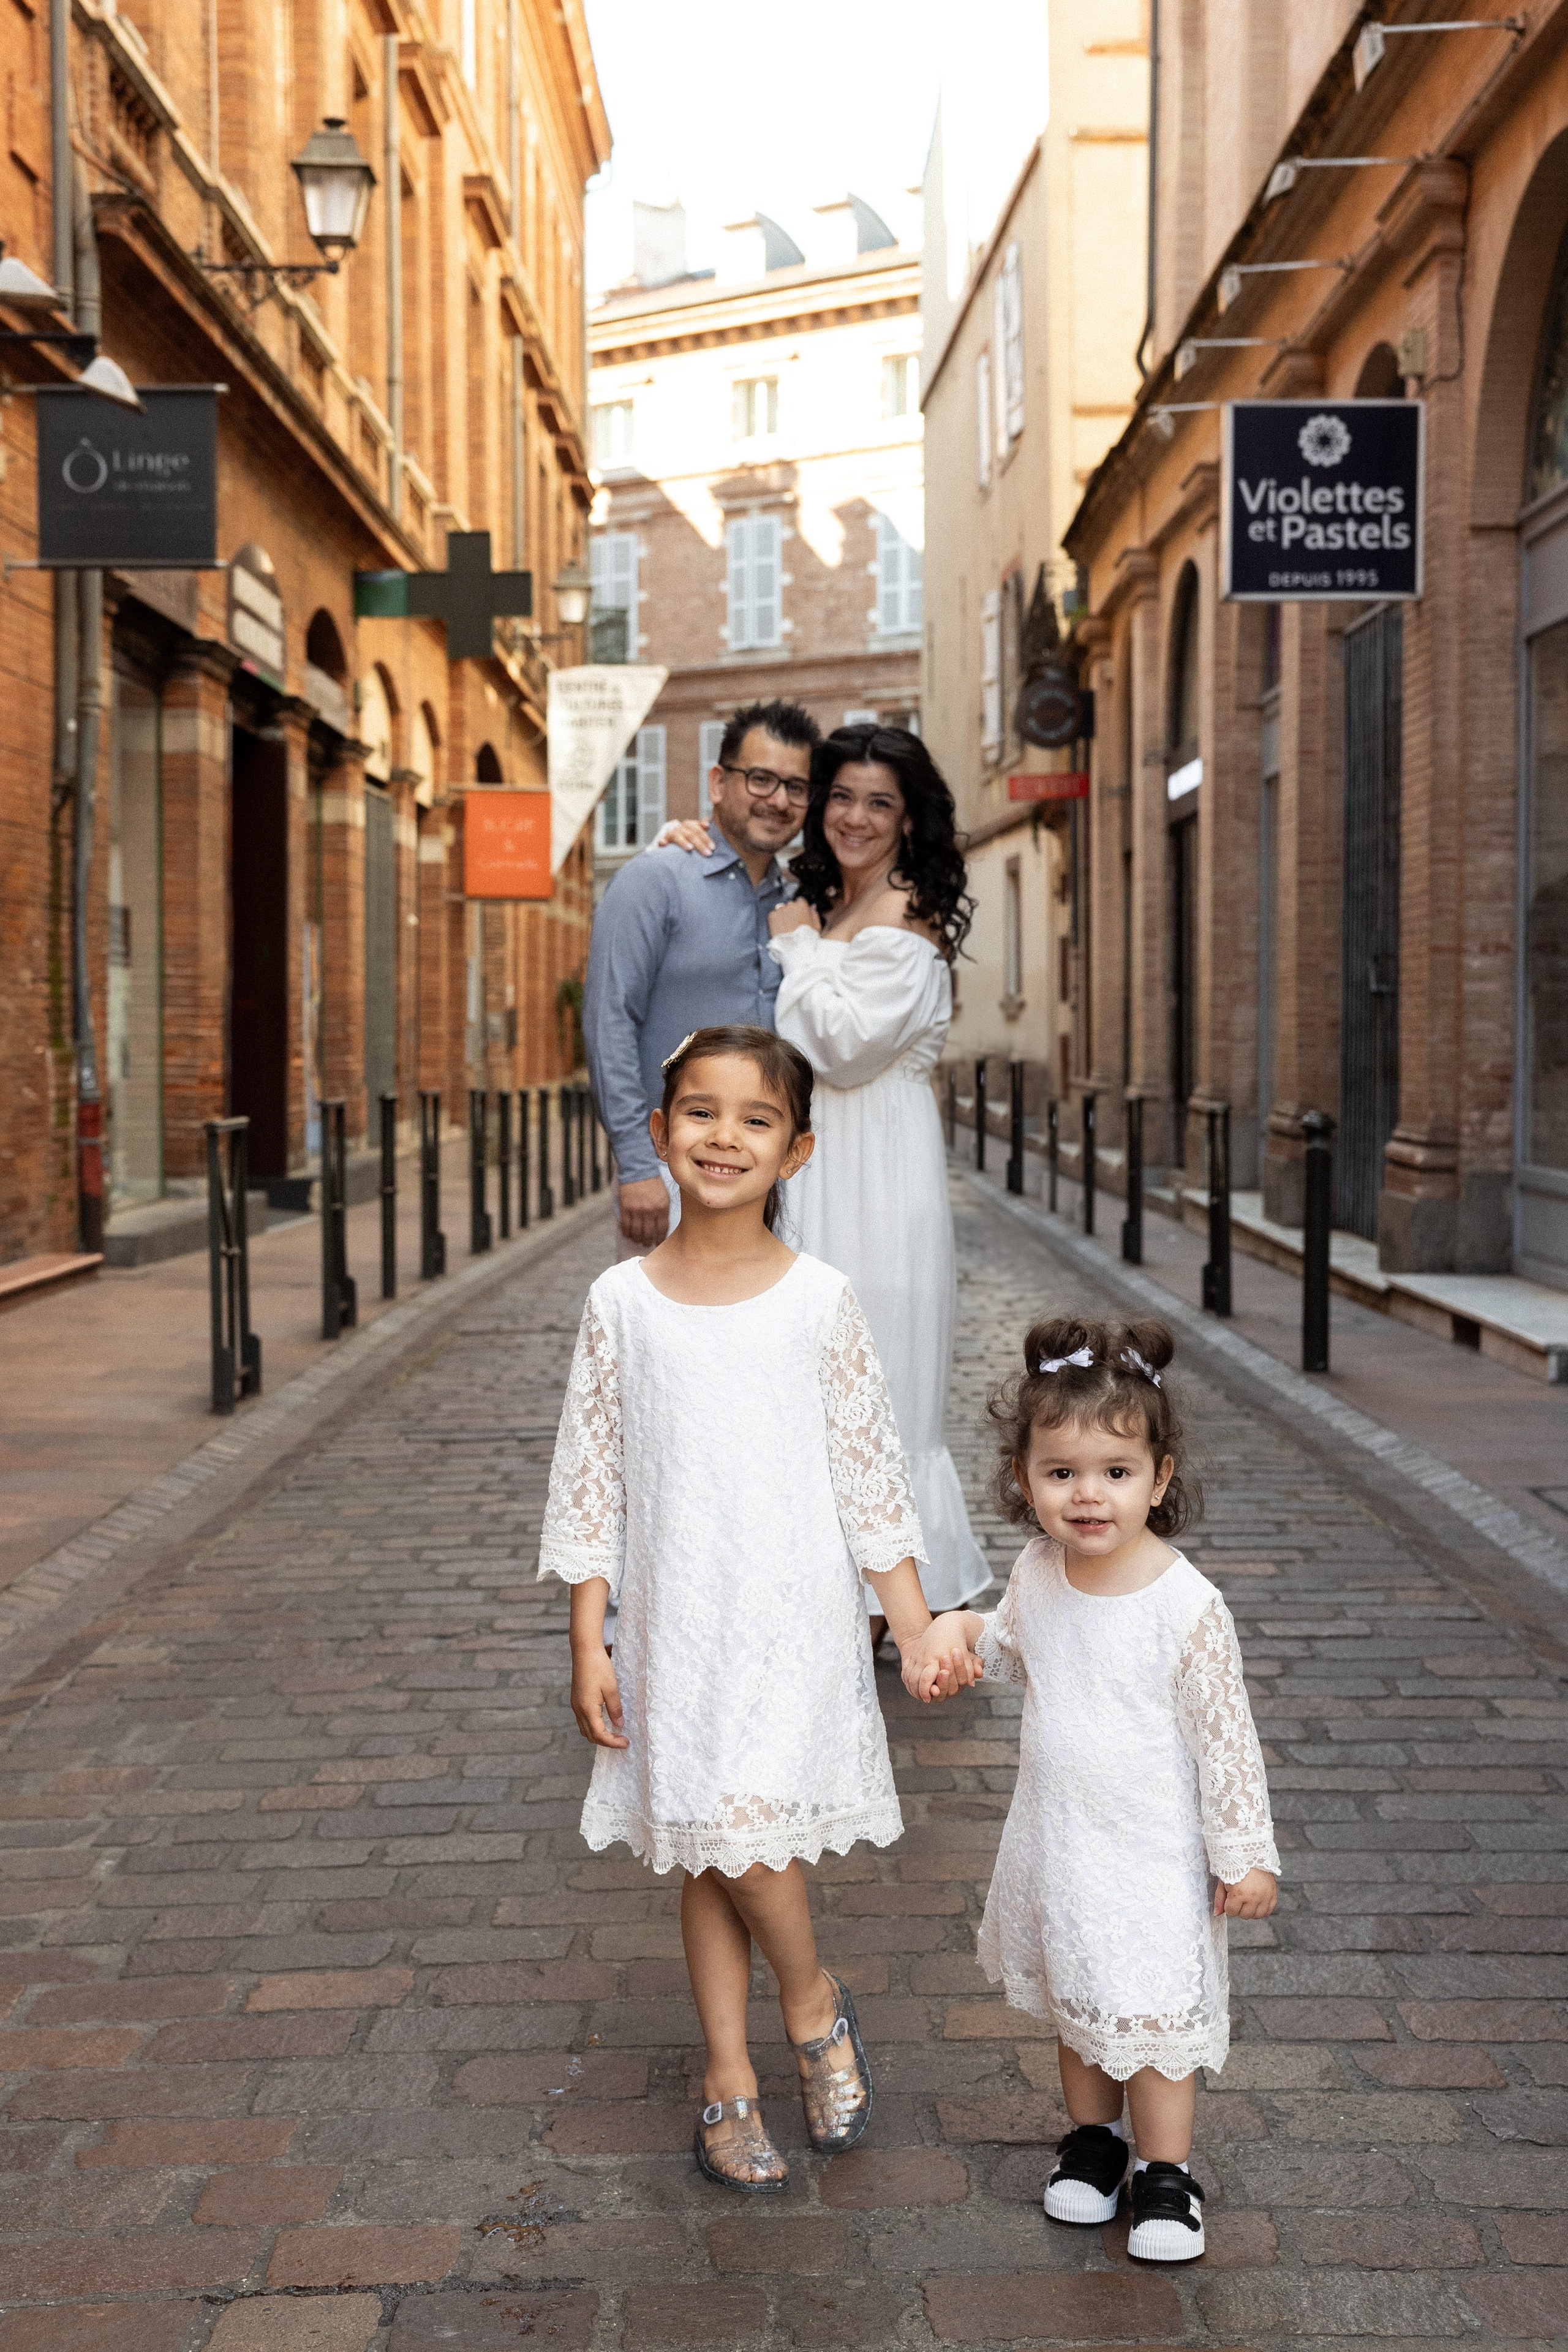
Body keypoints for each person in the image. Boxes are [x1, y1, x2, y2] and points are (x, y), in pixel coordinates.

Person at [538, 1023, 979, 2193]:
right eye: (700, 1111)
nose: (723, 1136)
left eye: (755, 1118)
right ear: (659, 1129)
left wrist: (919, 1620)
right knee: (704, 1840)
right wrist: (591, 1638)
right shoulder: (619, 1303)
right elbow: (592, 1477)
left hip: (791, 1615)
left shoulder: (820, 1301)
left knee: (740, 1829)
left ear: (797, 1151)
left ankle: (811, 2002)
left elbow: (870, 1476)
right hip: (676, 1620)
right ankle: (731, 2072)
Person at [902, 1316, 1279, 2264]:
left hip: (1153, 1851)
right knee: (1081, 1996)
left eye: (1115, 1472)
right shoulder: (1038, 1572)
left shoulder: (1185, 1606)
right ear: (1024, 1480)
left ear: (1159, 1477)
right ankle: (1094, 2144)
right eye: (1061, 1472)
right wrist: (957, 1634)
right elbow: (1012, 1645)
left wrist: (1245, 1852)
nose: (1088, 1495)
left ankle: (1166, 2172)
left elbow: (1226, 1739)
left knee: (1150, 2014)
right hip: (1064, 1841)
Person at [657, 723, 990, 1626]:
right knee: (808, 1378)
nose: (854, 816)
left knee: (874, 1377)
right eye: (840, 795)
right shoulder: (834, 902)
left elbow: (841, 1048)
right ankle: (829, 1591)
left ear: (910, 819)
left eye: (880, 801)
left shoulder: (906, 911)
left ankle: (892, 1603)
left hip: (879, 1181)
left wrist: (802, 948)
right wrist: (682, 842)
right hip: (819, 1171)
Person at [582, 699, 820, 1259]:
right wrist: (638, 1167)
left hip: (777, 1180)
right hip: (673, 1171)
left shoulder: (801, 904)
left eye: (796, 786)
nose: (779, 800)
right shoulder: (653, 881)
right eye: (760, 779)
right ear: (718, 782)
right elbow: (607, 1022)